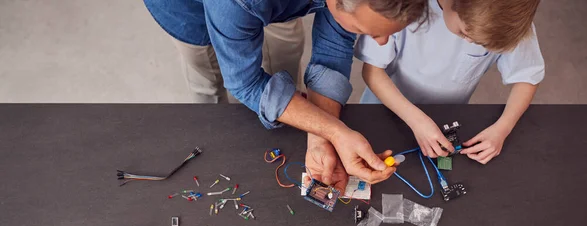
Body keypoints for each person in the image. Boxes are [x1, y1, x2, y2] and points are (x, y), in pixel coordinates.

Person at [144, 0, 429, 191]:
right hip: (190, 8)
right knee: (207, 73)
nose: (381, 43)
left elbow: (334, 43)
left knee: (286, 46)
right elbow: (245, 82)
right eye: (366, 31)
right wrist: (335, 131)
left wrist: (321, 137)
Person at [355, 0, 545, 164]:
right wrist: (416, 120)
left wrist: (502, 128)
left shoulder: (510, 20)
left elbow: (527, 77)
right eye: (464, 33)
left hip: (444, 121)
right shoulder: (401, 6)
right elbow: (372, 71)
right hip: (381, 109)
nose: (470, 42)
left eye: (482, 45)